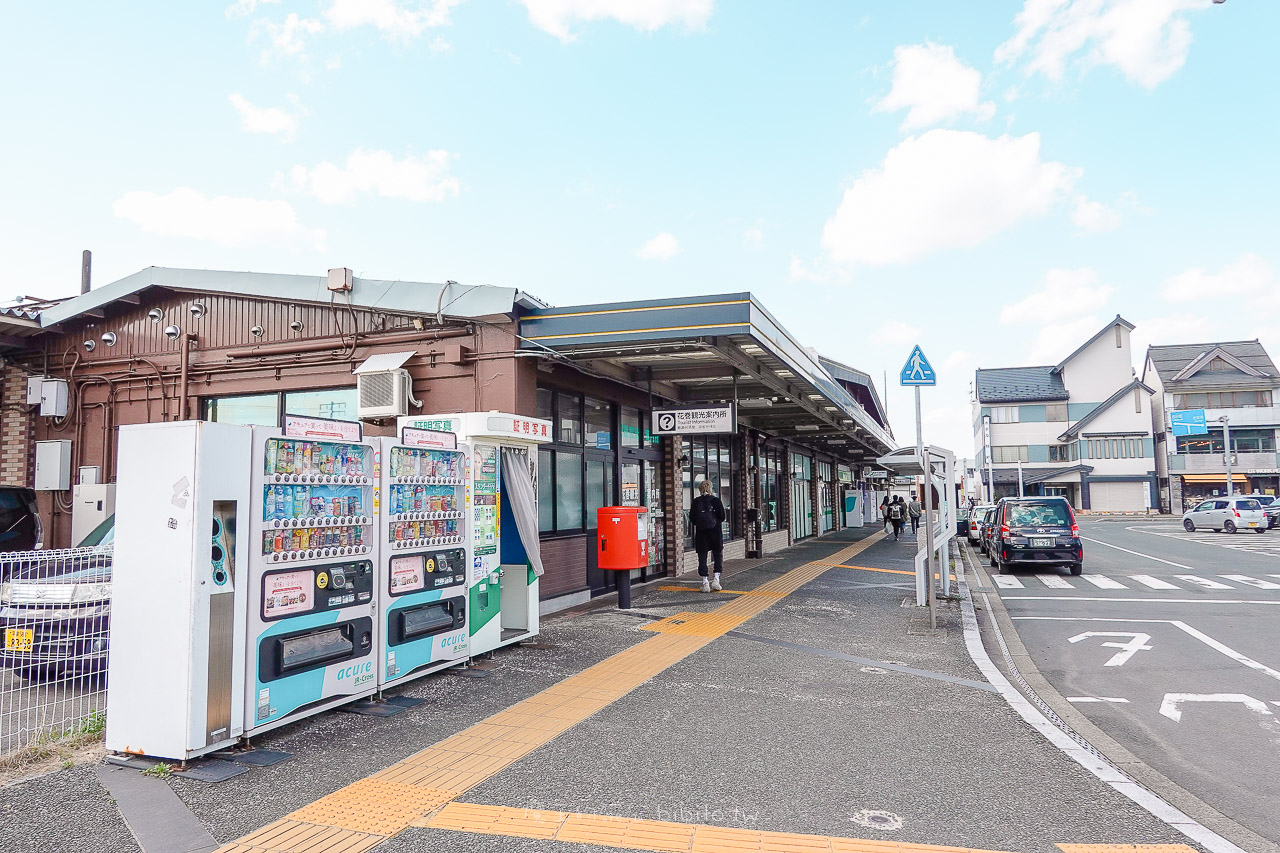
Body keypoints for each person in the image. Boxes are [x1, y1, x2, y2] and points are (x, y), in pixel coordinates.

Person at [690, 480, 727, 592]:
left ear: (700, 489)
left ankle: (705, 582)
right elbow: (722, 516)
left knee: (702, 557)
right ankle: (716, 580)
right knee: (717, 555)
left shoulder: (696, 501)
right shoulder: (716, 501)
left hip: (701, 533)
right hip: (715, 532)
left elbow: (692, 518)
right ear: (711, 488)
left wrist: (701, 524)